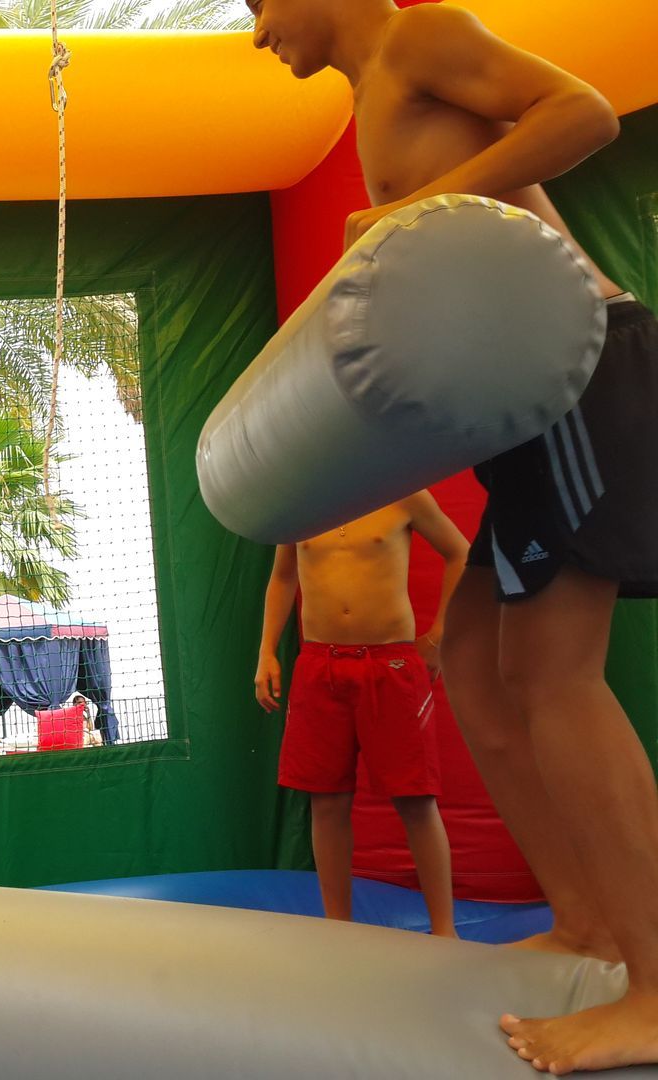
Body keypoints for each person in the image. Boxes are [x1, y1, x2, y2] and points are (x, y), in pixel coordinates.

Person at [251, 2, 658, 1070]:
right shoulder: (371, 98)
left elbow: (584, 113)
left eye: (255, 2)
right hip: (524, 409)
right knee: (471, 659)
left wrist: (408, 211)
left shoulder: (418, 39)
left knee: (557, 677)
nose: (256, 32)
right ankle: (586, 923)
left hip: (581, 365)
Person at [255, 496, 468, 937]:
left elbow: (460, 552)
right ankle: (339, 929)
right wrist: (266, 651)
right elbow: (283, 576)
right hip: (320, 666)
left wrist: (440, 635)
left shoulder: (403, 492)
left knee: (415, 799)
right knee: (326, 800)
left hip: (389, 664)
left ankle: (445, 931)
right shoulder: (299, 498)